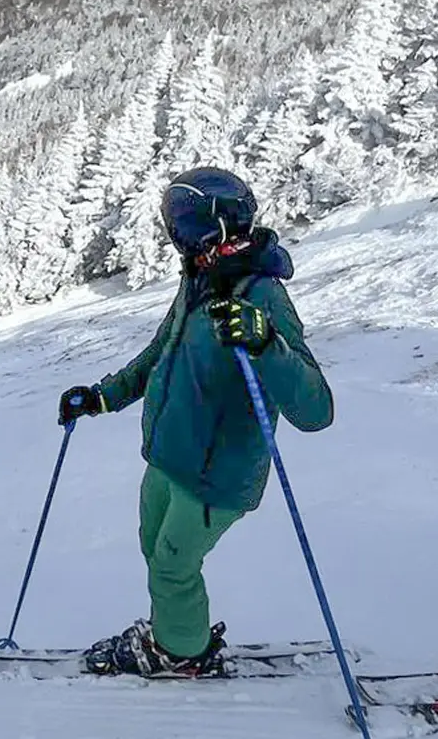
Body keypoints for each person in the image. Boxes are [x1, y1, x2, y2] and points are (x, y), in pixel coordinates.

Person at [57, 166, 334, 678]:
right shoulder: (201, 281)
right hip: (169, 455)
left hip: (216, 475)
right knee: (155, 550)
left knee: (172, 566)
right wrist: (101, 398)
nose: (178, 240)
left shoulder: (262, 297)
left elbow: (316, 411)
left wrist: (264, 342)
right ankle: (175, 627)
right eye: (175, 228)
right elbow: (160, 353)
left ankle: (180, 653)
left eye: (184, 227)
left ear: (220, 228)